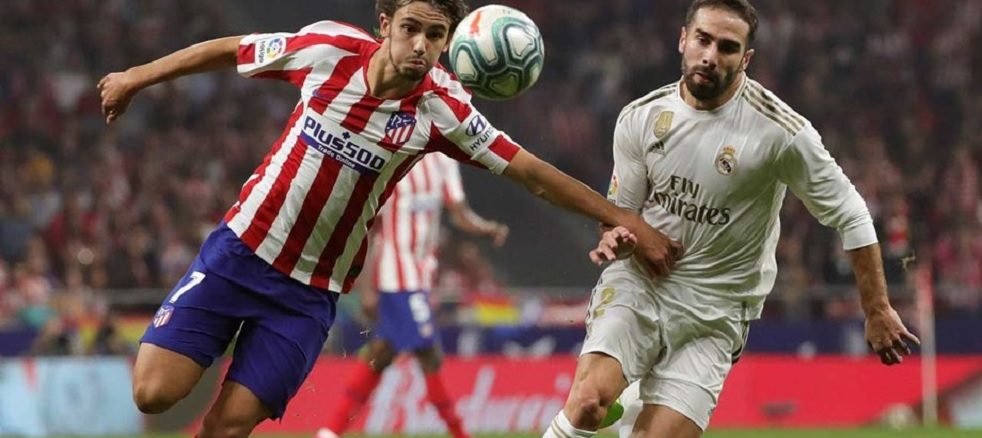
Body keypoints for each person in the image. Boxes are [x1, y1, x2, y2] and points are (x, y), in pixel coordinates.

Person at [97, 1, 680, 437]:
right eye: (411, 29)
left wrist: (619, 217)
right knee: (153, 392)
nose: (421, 45)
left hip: (308, 294)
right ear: (385, 25)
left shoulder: (442, 110)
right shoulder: (325, 50)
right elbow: (230, 49)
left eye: (436, 34)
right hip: (238, 253)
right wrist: (135, 77)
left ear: (449, 40)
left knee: (228, 427)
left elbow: (529, 171)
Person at [542, 1, 920, 437]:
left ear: (746, 58)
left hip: (715, 314)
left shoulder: (781, 132)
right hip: (641, 285)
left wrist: (876, 308)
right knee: (588, 404)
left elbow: (851, 212)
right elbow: (620, 215)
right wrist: (616, 237)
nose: (710, 55)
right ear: (683, 39)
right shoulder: (641, 118)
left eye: (727, 47)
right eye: (702, 40)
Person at [317, 153, 507, 438]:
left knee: (382, 354)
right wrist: (368, 284)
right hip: (396, 276)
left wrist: (485, 227)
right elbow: (370, 227)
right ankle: (460, 434)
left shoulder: (444, 159)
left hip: (419, 276)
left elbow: (459, 212)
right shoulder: (394, 158)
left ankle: (330, 431)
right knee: (428, 352)